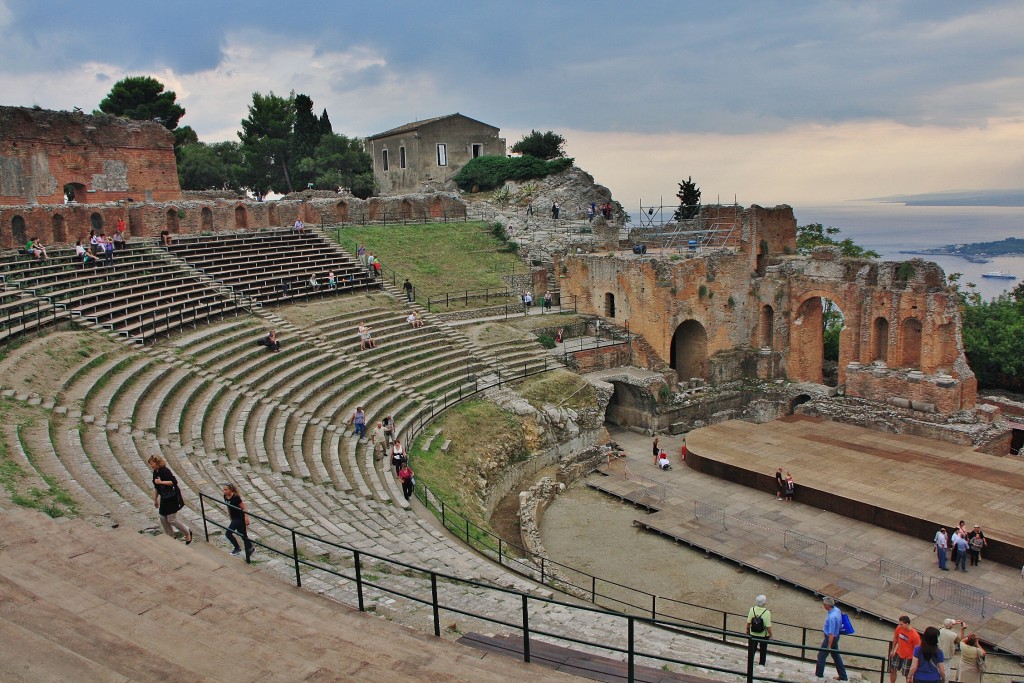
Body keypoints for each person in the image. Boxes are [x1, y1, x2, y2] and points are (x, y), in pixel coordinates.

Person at [147, 455, 191, 544]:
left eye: (152, 464)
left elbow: (173, 482)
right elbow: (156, 487)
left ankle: (187, 533)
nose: (151, 465)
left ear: (157, 463)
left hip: (172, 497)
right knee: (162, 517)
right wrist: (155, 499)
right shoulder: (155, 472)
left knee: (171, 519)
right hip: (164, 497)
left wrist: (161, 482)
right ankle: (171, 536)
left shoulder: (165, 471)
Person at [815, 596, 848, 681]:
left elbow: (831, 634)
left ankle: (819, 676)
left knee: (821, 656)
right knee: (836, 656)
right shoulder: (837, 610)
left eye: (824, 604)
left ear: (827, 605)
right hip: (836, 636)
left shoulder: (832, 617)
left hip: (831, 639)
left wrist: (829, 645)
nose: (823, 605)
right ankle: (843, 676)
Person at [222, 482, 254, 559]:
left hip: (239, 518)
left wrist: (246, 518)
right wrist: (230, 517)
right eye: (224, 489)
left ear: (230, 490)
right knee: (241, 533)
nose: (224, 491)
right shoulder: (225, 496)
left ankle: (237, 548)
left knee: (228, 533)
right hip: (234, 518)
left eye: (226, 489)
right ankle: (250, 548)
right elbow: (229, 507)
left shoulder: (236, 498)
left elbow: (243, 507)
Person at [889, 615, 921, 683]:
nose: (900, 625)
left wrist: (915, 661)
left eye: (901, 624)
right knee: (892, 670)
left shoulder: (915, 635)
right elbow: (895, 637)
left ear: (907, 624)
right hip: (898, 652)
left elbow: (917, 649)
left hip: (908, 657)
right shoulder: (899, 628)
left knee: (908, 675)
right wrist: (893, 649)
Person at [746, 594, 773, 666]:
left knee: (752, 649)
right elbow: (768, 626)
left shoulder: (752, 609)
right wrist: (771, 635)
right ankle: (761, 663)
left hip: (753, 633)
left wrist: (747, 631)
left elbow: (748, 622)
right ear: (764, 603)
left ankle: (750, 662)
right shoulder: (767, 612)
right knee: (763, 650)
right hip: (763, 635)